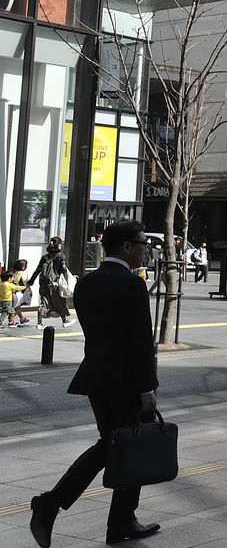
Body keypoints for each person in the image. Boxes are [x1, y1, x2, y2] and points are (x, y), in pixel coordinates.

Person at [29, 219, 160, 547]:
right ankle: (53, 503)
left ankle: (119, 522)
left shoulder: (87, 283)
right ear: (127, 247)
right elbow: (140, 342)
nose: (147, 249)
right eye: (143, 243)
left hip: (95, 379)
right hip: (127, 384)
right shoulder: (132, 285)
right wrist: (147, 388)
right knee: (124, 446)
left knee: (115, 445)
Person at [34, 238, 74, 328]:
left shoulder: (44, 257)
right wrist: (67, 280)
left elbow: (37, 270)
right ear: (59, 245)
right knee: (60, 301)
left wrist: (30, 282)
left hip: (43, 283)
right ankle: (65, 320)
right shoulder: (61, 256)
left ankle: (39, 323)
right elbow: (63, 268)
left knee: (44, 301)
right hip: (54, 283)